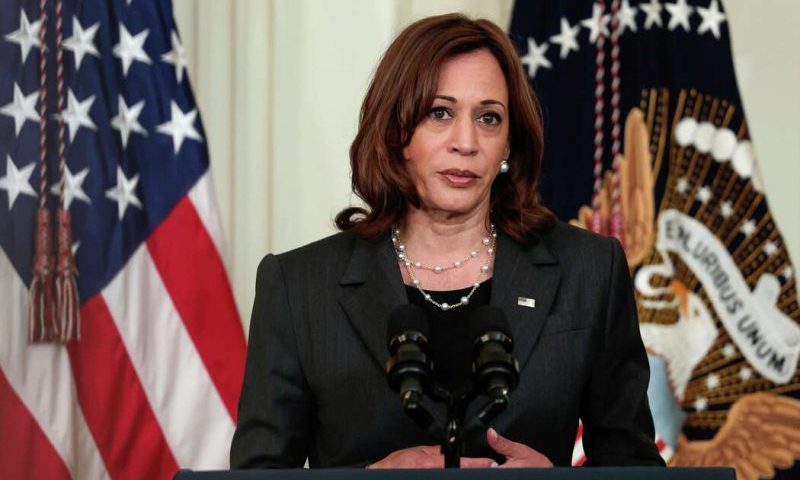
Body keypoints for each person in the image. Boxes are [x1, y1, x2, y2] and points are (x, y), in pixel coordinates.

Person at [230, 13, 664, 469]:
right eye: (440, 113)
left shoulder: (590, 271)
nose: (467, 141)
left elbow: (634, 465)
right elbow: (257, 475)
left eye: (489, 118)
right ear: (397, 131)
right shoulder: (299, 288)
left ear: (509, 143)